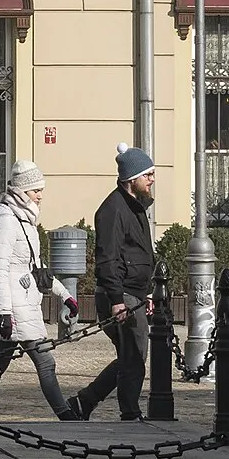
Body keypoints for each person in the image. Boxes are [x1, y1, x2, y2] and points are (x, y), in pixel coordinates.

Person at [0, 160, 81, 419]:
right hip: (15, 305)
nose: (40, 195)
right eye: (35, 190)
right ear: (22, 192)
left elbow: (36, 271)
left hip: (25, 301)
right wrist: (7, 313)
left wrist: (65, 295)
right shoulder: (6, 220)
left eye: (41, 190)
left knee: (0, 359)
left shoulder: (26, 220)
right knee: (45, 361)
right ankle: (64, 414)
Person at [67, 144, 157, 422]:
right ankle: (129, 412)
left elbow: (140, 254)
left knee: (130, 357)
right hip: (121, 295)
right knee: (134, 356)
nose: (152, 179)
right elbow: (107, 257)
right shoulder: (113, 209)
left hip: (134, 293)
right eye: (148, 174)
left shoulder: (136, 207)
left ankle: (84, 401)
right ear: (132, 179)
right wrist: (118, 299)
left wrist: (148, 293)